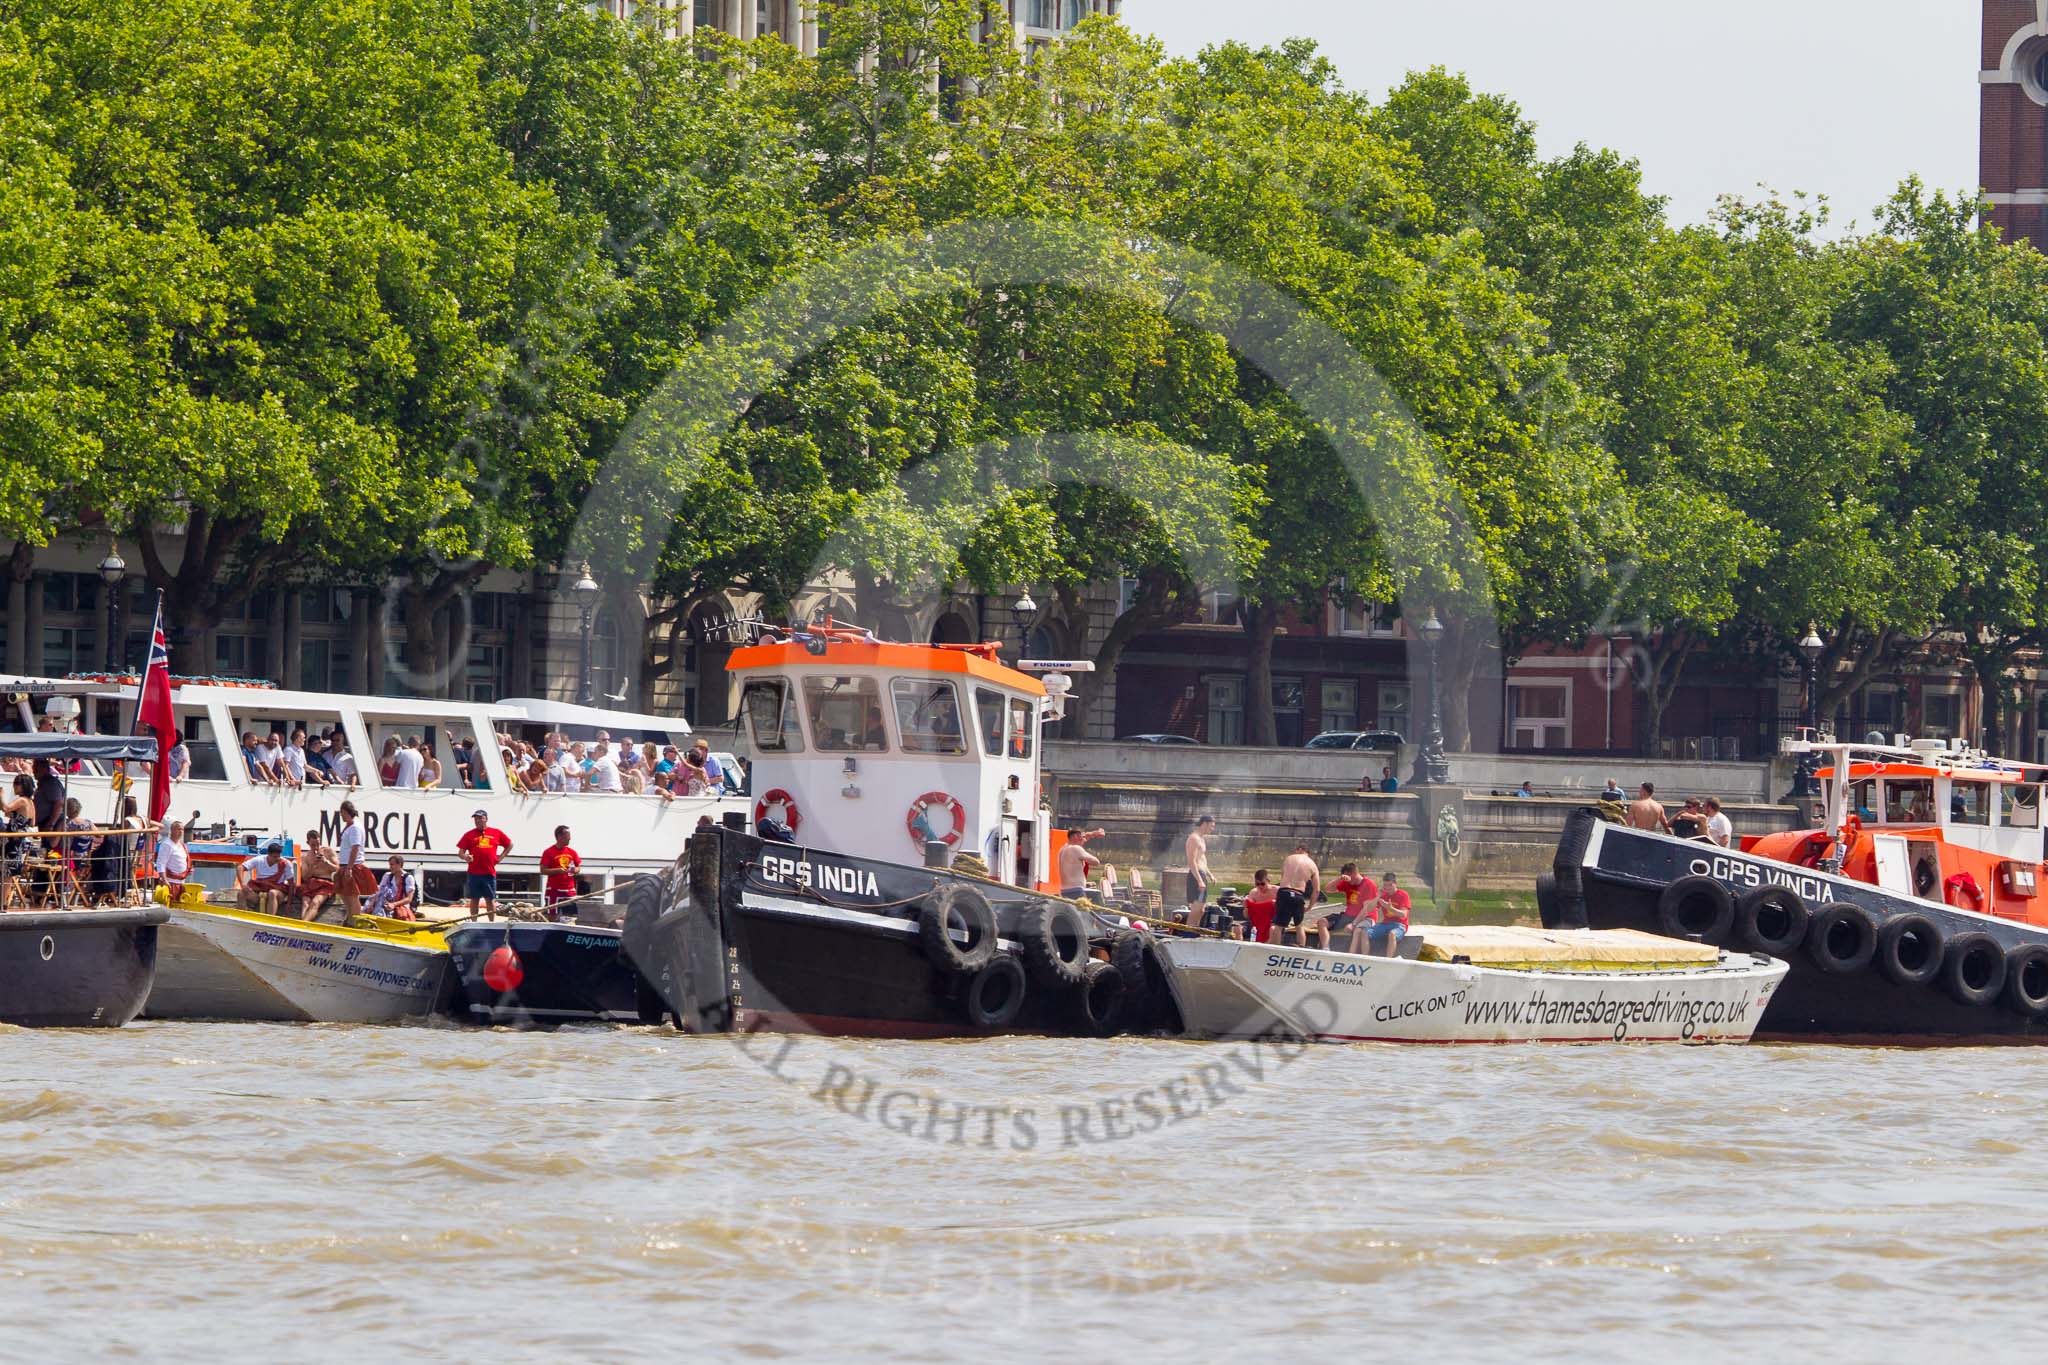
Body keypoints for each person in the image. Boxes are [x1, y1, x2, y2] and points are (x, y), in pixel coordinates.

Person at [456, 809, 512, 920]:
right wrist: (466, 857)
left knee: (490, 899)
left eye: (480, 818)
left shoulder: (496, 832)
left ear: (486, 819)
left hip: (489, 872)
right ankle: (474, 921)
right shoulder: (469, 834)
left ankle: (491, 922)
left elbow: (509, 844)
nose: (478, 821)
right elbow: (460, 853)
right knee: (474, 899)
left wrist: (500, 857)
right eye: (476, 819)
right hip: (474, 872)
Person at [1277, 842, 1320, 948]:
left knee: (1278, 926)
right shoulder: (1312, 864)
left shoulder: (1289, 858)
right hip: (1298, 895)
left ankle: (1275, 947)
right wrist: (1310, 906)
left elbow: (1282, 878)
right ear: (1307, 853)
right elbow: (1317, 890)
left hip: (1284, 892)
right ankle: (1301, 948)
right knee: (1299, 926)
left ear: (1299, 849)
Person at [236, 841, 297, 915]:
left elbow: (292, 884)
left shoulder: (285, 864)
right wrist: (243, 884)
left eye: (278, 856)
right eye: (274, 857)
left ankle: (270, 919)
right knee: (241, 893)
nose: (277, 859)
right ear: (268, 854)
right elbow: (240, 867)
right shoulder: (259, 860)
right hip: (259, 892)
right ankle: (242, 917)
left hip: (277, 892)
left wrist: (289, 903)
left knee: (272, 893)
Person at [1329, 862, 1378, 951]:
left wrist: (1353, 924)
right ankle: (1326, 949)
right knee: (1323, 922)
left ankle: (1352, 955)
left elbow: (1366, 909)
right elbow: (1329, 889)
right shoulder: (1347, 882)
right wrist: (1339, 879)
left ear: (1355, 873)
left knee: (1357, 930)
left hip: (1366, 917)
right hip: (1349, 916)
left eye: (1348, 877)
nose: (1348, 880)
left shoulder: (1368, 884)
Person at [297, 828, 339, 921]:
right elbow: (305, 877)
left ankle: (303, 925)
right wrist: (313, 865)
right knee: (305, 903)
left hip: (326, 883)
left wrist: (326, 862)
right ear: (308, 843)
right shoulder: (306, 857)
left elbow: (338, 869)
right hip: (311, 882)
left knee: (316, 902)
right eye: (313, 845)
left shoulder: (328, 851)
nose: (316, 847)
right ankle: (302, 924)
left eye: (317, 844)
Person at [539, 825, 581, 920]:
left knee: (571, 916)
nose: (569, 839)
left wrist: (575, 870)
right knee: (551, 915)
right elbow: (543, 870)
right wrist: (557, 870)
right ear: (559, 836)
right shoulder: (548, 852)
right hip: (554, 890)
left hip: (569, 890)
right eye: (567, 836)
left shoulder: (572, 852)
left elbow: (578, 867)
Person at [333, 800, 367, 917]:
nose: (341, 815)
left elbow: (355, 847)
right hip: (344, 864)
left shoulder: (355, 827)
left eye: (341, 813)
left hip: (352, 865)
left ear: (345, 811)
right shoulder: (350, 826)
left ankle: (356, 919)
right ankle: (349, 917)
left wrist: (349, 868)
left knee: (352, 895)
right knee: (344, 894)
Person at [1367, 872, 1411, 956]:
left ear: (1395, 884)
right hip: (1385, 924)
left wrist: (1390, 908)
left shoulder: (1403, 895)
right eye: (1385, 885)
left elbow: (1403, 915)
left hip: (1400, 925)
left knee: (1392, 934)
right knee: (1364, 932)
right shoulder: (1383, 895)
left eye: (1390, 885)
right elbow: (1369, 909)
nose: (1387, 888)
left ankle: (1388, 960)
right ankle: (1365, 957)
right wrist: (1377, 897)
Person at [1057, 827, 1107, 901]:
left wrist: (1094, 834)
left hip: (1064, 891)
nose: (1084, 841)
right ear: (1075, 837)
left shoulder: (1062, 849)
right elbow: (1096, 862)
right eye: (1082, 838)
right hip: (1076, 892)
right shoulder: (1076, 848)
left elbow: (1071, 872)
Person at [1183, 814, 1216, 925]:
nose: (1213, 829)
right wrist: (1199, 880)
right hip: (1195, 875)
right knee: (1197, 908)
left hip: (1202, 874)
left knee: (1201, 910)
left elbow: (1202, 859)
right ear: (1204, 824)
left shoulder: (1201, 839)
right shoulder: (1194, 838)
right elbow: (1192, 862)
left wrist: (1210, 875)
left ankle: (1194, 930)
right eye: (1211, 826)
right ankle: (1188, 932)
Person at [369, 854, 419, 921]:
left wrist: (393, 904)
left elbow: (409, 899)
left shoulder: (408, 878)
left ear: (400, 865)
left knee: (400, 914)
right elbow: (379, 892)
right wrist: (371, 903)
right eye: (389, 865)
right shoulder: (387, 876)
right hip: (386, 903)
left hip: (401, 905)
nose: (390, 867)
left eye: (392, 865)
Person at [154, 820, 191, 898]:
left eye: (182, 829)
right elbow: (161, 863)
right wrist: (164, 881)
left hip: (182, 883)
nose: (181, 831)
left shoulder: (182, 845)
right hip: (170, 883)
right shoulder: (167, 844)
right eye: (178, 829)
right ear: (172, 830)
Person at [1243, 868, 1278, 945]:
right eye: (1257, 884)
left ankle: (1267, 945)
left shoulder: (1276, 891)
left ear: (1268, 881)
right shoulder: (1253, 893)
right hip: (1257, 922)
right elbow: (1246, 916)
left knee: (1273, 928)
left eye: (1262, 884)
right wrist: (1246, 906)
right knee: (1237, 928)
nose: (1260, 887)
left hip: (1272, 920)